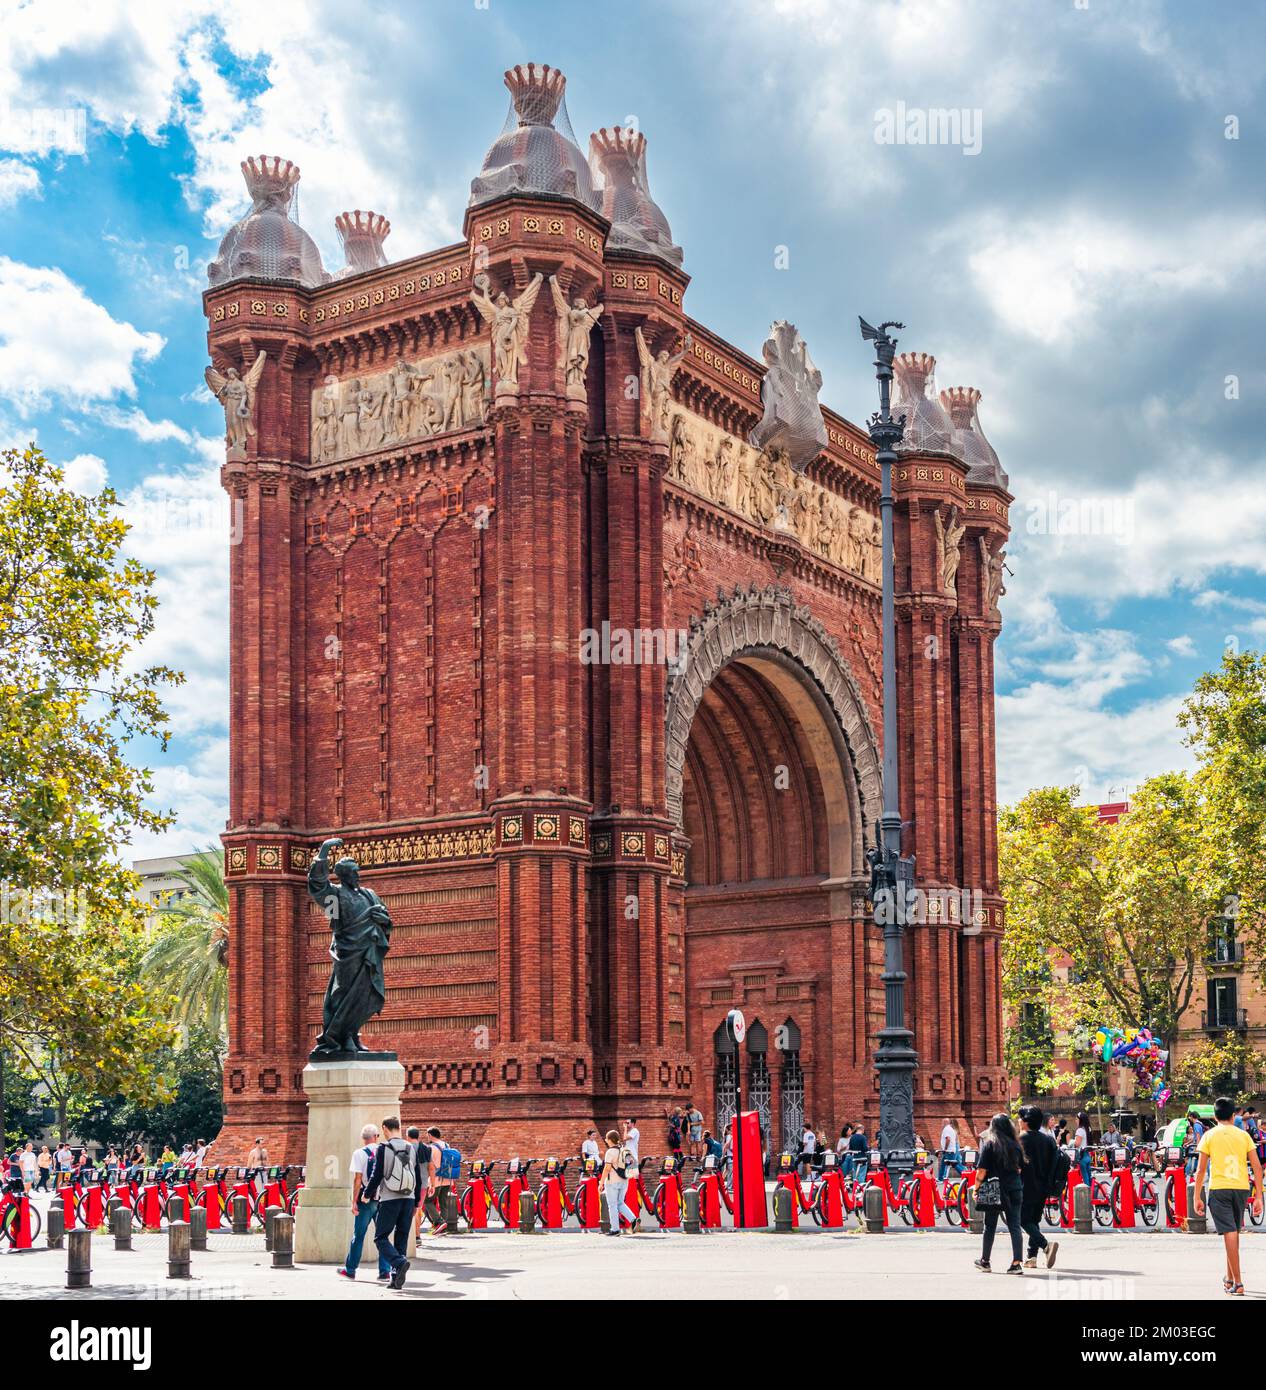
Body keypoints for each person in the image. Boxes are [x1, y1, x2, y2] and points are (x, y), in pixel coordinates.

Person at [1193, 1094, 1264, 1296]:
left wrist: (1196, 1196)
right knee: (1232, 1232)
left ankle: (1239, 1282)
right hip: (1241, 1188)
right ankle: (1230, 1277)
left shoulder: (1209, 1135)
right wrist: (1259, 1196)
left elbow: (1200, 1170)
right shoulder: (1244, 1136)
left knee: (1229, 1233)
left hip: (1220, 1188)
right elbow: (1257, 1167)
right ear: (1234, 1116)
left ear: (1215, 1117)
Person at [363, 1116, 425, 1289]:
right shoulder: (411, 1147)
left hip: (390, 1199)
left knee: (381, 1237)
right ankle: (396, 1279)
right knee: (402, 1237)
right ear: (399, 1127)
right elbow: (418, 1176)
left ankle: (398, 1263)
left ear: (384, 1128)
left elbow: (377, 1174)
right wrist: (416, 1203)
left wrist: (367, 1194)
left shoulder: (383, 1148)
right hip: (409, 1198)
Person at [337, 1124, 391, 1282]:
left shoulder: (359, 1153)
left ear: (363, 1139)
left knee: (358, 1235)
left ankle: (351, 1269)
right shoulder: (385, 1150)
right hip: (383, 1198)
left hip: (365, 1199)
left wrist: (354, 1201)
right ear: (376, 1136)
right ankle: (385, 1271)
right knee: (383, 1236)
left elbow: (357, 1179)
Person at [973, 1112, 1025, 1274]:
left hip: (994, 1189)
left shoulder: (990, 1144)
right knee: (1014, 1226)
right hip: (1014, 1187)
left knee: (990, 1226)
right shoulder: (1016, 1145)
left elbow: (981, 1171)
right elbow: (1021, 1167)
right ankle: (1016, 1263)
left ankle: (985, 1261)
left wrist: (976, 1188)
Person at [1018, 1105, 1059, 1270]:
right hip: (1043, 1187)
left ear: (1026, 1121)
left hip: (1025, 1186)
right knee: (1033, 1221)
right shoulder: (1048, 1140)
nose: (1018, 1121)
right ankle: (1031, 1257)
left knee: (1022, 1220)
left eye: (1020, 1118)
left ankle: (1046, 1245)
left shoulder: (1021, 1139)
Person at [600, 1128, 638, 1236]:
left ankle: (615, 1229)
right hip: (624, 1180)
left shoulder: (610, 1152)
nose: (606, 1140)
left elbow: (607, 1168)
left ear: (610, 1139)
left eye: (607, 1138)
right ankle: (633, 1219)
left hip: (612, 1181)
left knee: (612, 1205)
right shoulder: (623, 1149)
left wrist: (601, 1183)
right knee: (620, 1203)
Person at [424, 1126, 453, 1234]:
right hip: (448, 1178)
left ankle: (439, 1222)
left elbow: (429, 1165)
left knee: (427, 1201)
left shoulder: (431, 1147)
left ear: (430, 1135)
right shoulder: (447, 1145)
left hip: (435, 1179)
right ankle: (443, 1228)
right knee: (443, 1202)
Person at [1074, 1111, 1092, 1187]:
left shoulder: (1080, 1130)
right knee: (1088, 1176)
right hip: (1087, 1154)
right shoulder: (1088, 1129)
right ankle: (1091, 1192)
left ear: (1080, 1120)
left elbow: (1077, 1144)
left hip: (1081, 1156)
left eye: (1076, 1119)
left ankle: (1087, 1196)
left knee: (1085, 1178)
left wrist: (1072, 1142)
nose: (1075, 1121)